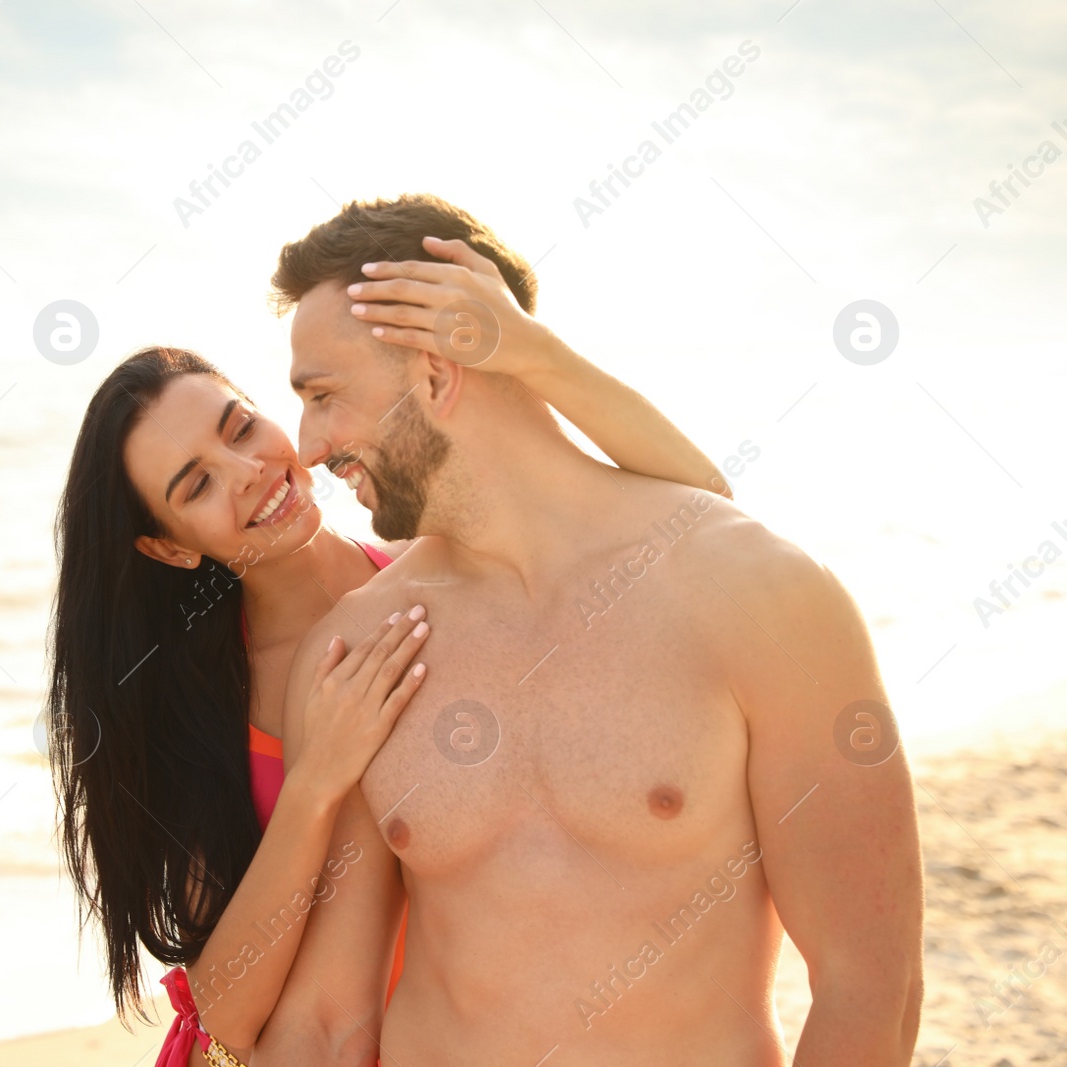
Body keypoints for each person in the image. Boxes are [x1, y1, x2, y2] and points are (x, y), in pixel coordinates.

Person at [252, 194, 925, 1066]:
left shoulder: (758, 592)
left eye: (324, 396)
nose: (307, 445)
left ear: (435, 371)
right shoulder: (357, 650)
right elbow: (328, 1021)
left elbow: (868, 984)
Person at [46, 257, 733, 1065]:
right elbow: (226, 1009)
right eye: (197, 485)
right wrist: (315, 780)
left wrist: (535, 352)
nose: (250, 472)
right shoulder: (190, 705)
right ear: (168, 546)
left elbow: (700, 510)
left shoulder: (431, 577)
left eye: (240, 428)